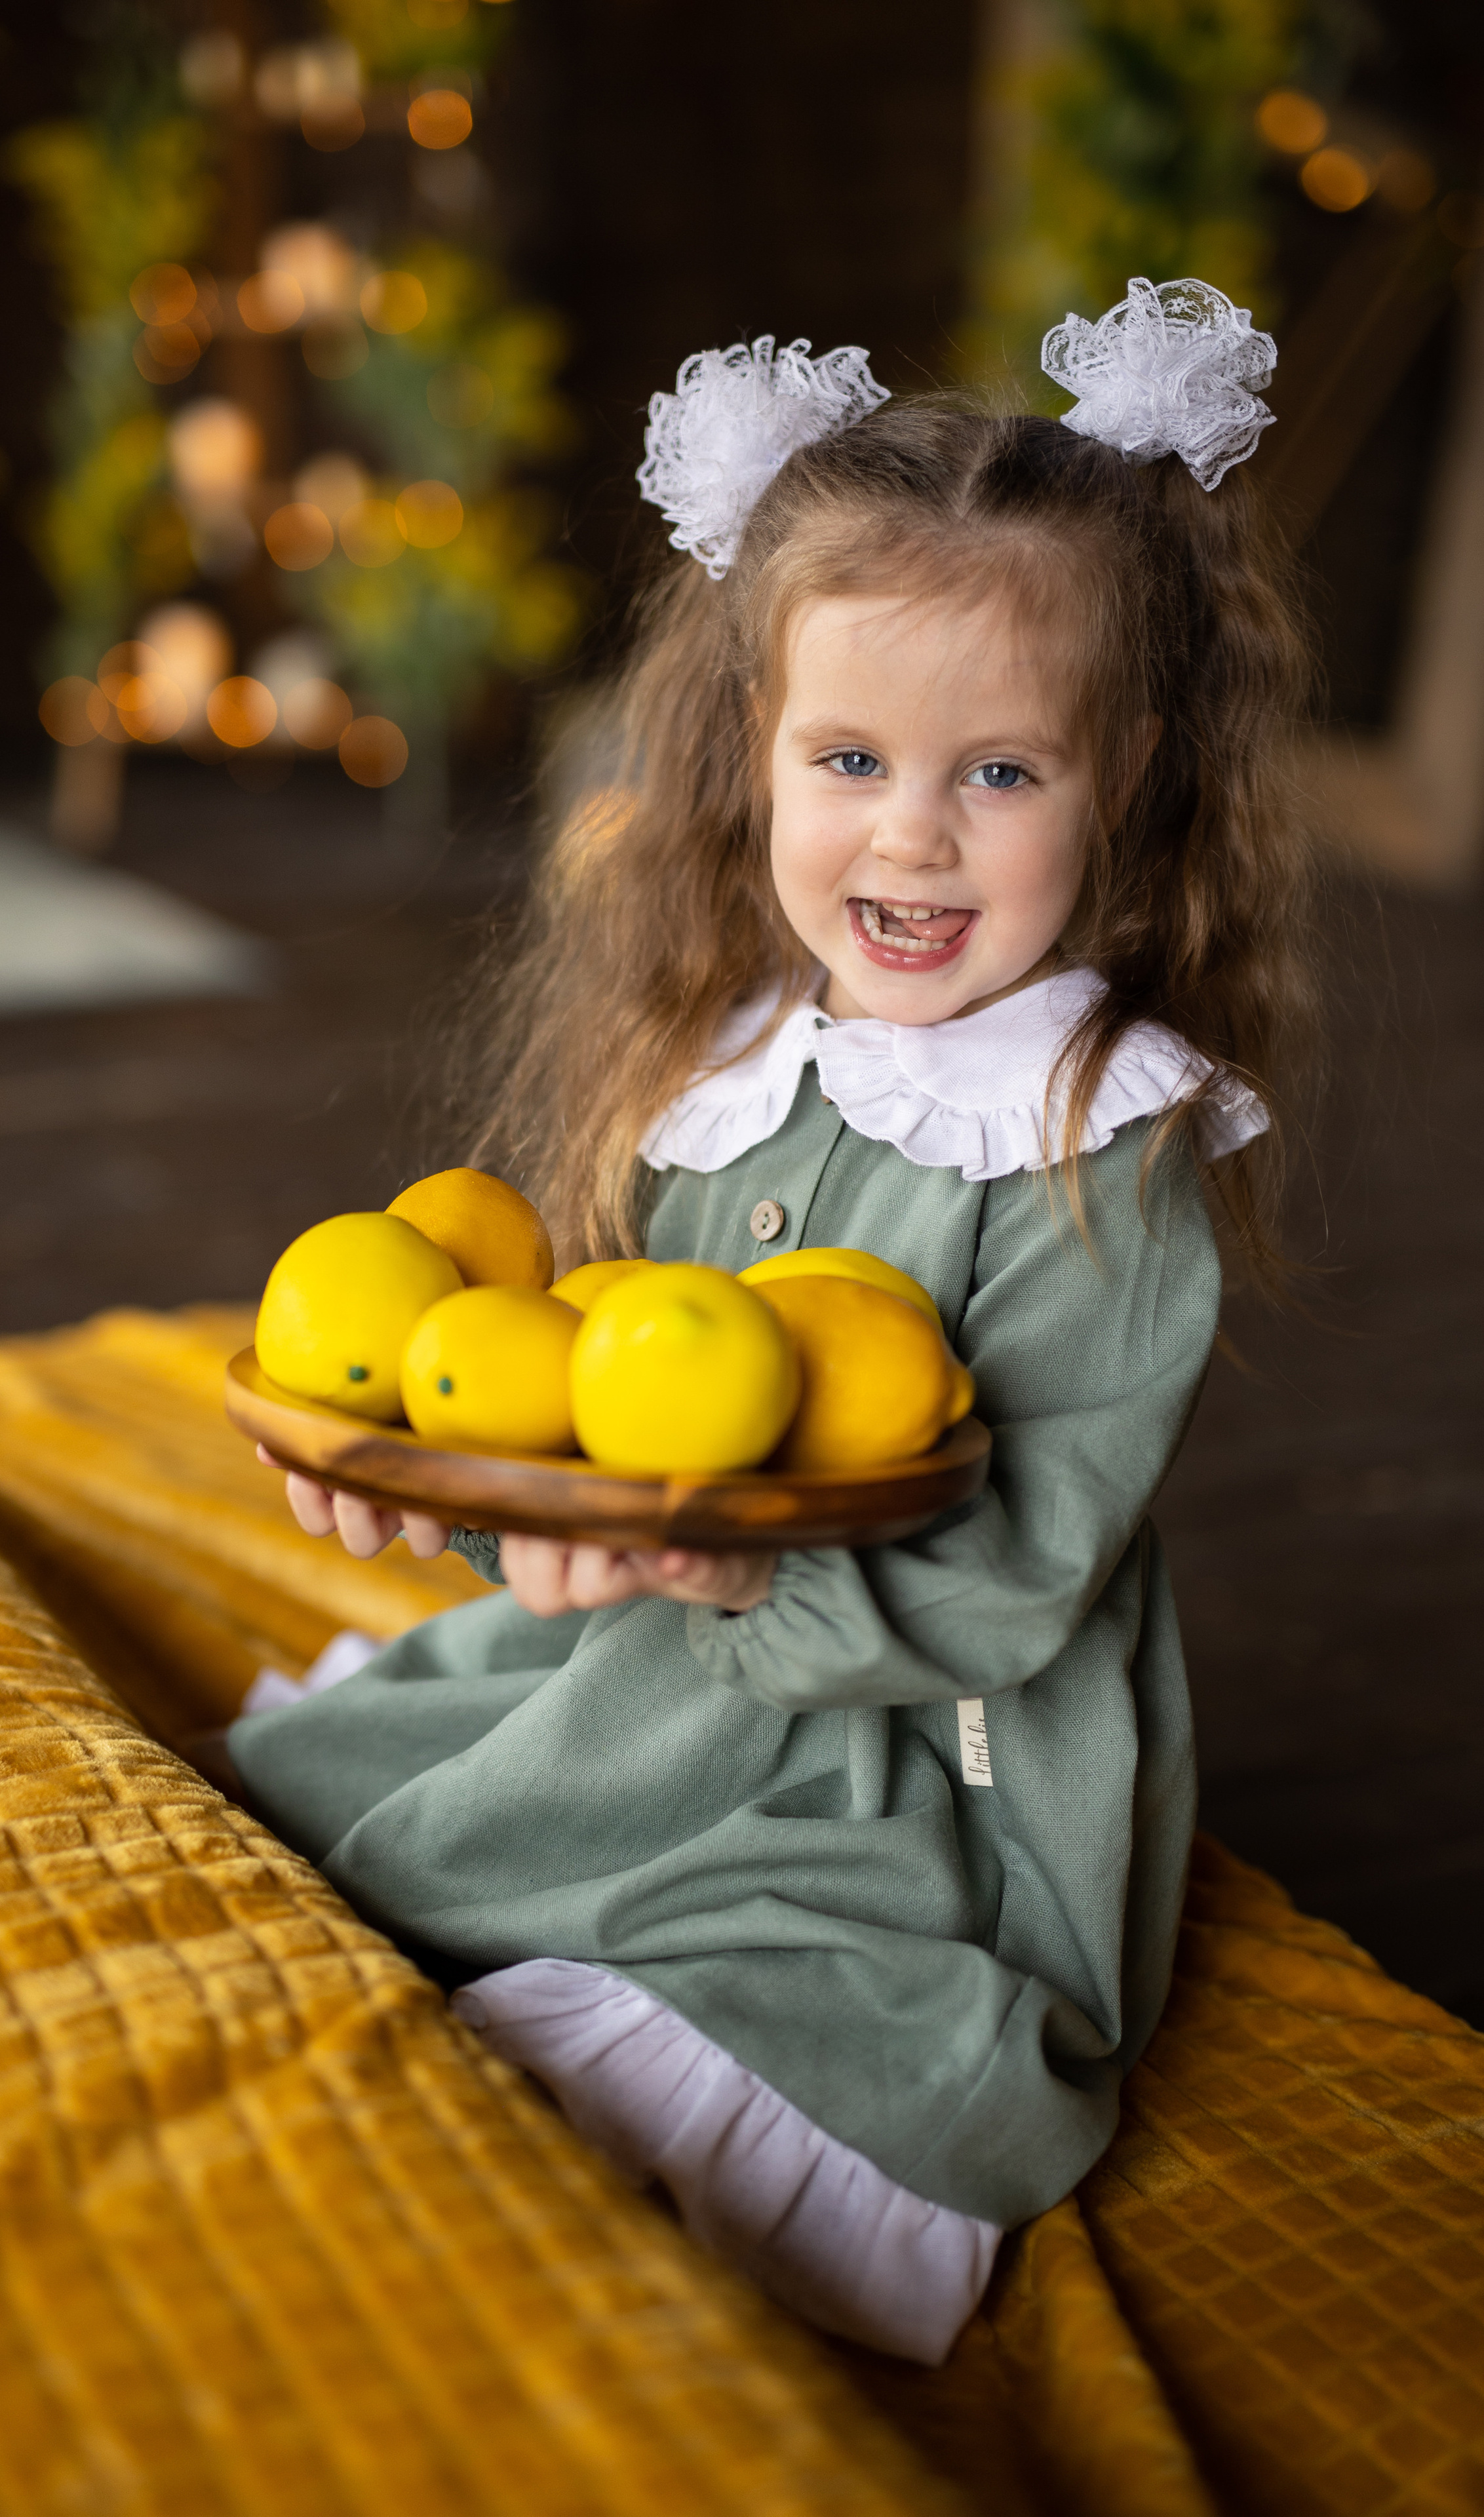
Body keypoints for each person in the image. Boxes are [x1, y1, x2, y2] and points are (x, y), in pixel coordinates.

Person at [229, 281, 1318, 2364]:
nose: (910, 831)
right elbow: (586, 1405)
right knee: (340, 1817)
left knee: (679, 2048)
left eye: (999, 769)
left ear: (1131, 777)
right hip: (662, 1670)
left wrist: (666, 1563)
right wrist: (469, 1500)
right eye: (850, 757)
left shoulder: (1104, 1135)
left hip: (918, 1769)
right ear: (753, 754)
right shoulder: (739, 1062)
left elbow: (1012, 1577)